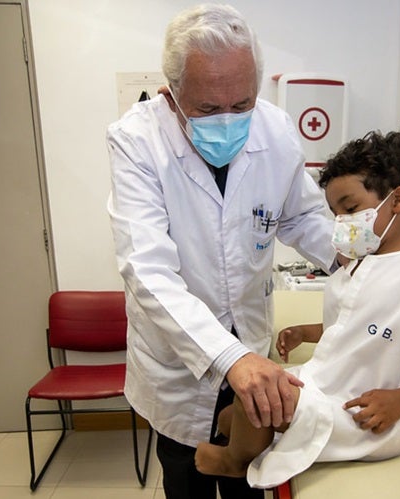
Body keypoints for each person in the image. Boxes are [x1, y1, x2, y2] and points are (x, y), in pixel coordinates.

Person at [106, 4, 336, 498]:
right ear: (172, 96)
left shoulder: (276, 131)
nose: (229, 120)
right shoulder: (136, 142)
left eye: (243, 104)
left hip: (250, 338)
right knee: (186, 476)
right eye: (209, 109)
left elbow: (303, 217)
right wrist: (229, 356)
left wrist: (363, 264)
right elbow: (146, 269)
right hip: (177, 362)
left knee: (247, 479)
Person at [194, 130, 400, 489]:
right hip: (332, 383)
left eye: (350, 209)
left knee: (253, 395)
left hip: (370, 412)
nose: (342, 223)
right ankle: (256, 440)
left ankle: (234, 462)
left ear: (397, 201)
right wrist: (306, 332)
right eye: (335, 213)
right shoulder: (355, 267)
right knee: (227, 419)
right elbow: (354, 323)